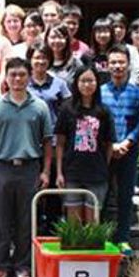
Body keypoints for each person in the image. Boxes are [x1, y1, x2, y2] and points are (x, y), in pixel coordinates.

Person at [0, 57, 53, 277]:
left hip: (30, 168)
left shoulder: (39, 106)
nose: (17, 79)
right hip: (3, 167)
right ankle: (1, 267)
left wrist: (46, 171)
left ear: (29, 77)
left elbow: (48, 141)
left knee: (26, 221)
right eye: (13, 75)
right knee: (2, 220)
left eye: (22, 74)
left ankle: (23, 267)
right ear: (6, 77)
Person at [100, 45, 139, 256]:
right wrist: (109, 145)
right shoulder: (100, 93)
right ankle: (102, 236)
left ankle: (123, 238)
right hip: (104, 152)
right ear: (107, 65)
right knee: (102, 195)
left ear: (128, 65)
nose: (117, 66)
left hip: (129, 151)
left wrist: (128, 141)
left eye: (121, 62)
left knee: (125, 196)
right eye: (113, 62)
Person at [55, 65, 115, 221]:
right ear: (76, 83)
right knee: (73, 223)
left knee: (92, 224)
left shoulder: (104, 111)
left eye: (91, 81)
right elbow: (60, 143)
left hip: (96, 174)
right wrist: (60, 172)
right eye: (83, 81)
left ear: (97, 83)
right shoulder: (67, 109)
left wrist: (104, 167)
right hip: (72, 172)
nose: (87, 85)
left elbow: (109, 144)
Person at [26, 44, 71, 234]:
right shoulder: (23, 82)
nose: (40, 61)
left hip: (52, 144)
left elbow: (67, 113)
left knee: (52, 192)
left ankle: (50, 233)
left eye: (44, 57)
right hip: (28, 144)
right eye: (36, 57)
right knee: (31, 192)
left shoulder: (59, 84)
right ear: (30, 60)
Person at [89, 17, 116, 84]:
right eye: (99, 32)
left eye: (106, 31)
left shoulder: (118, 54)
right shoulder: (87, 55)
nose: (102, 35)